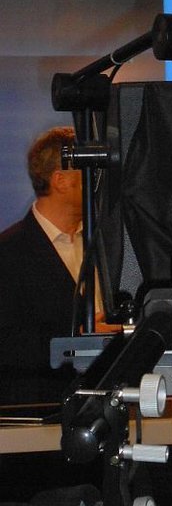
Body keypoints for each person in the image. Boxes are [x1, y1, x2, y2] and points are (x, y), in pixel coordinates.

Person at [0, 126, 93, 405]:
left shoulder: (108, 243)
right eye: (87, 168)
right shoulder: (8, 252)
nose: (97, 178)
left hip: (111, 405)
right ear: (60, 181)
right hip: (40, 412)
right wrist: (80, 337)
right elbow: (8, 344)